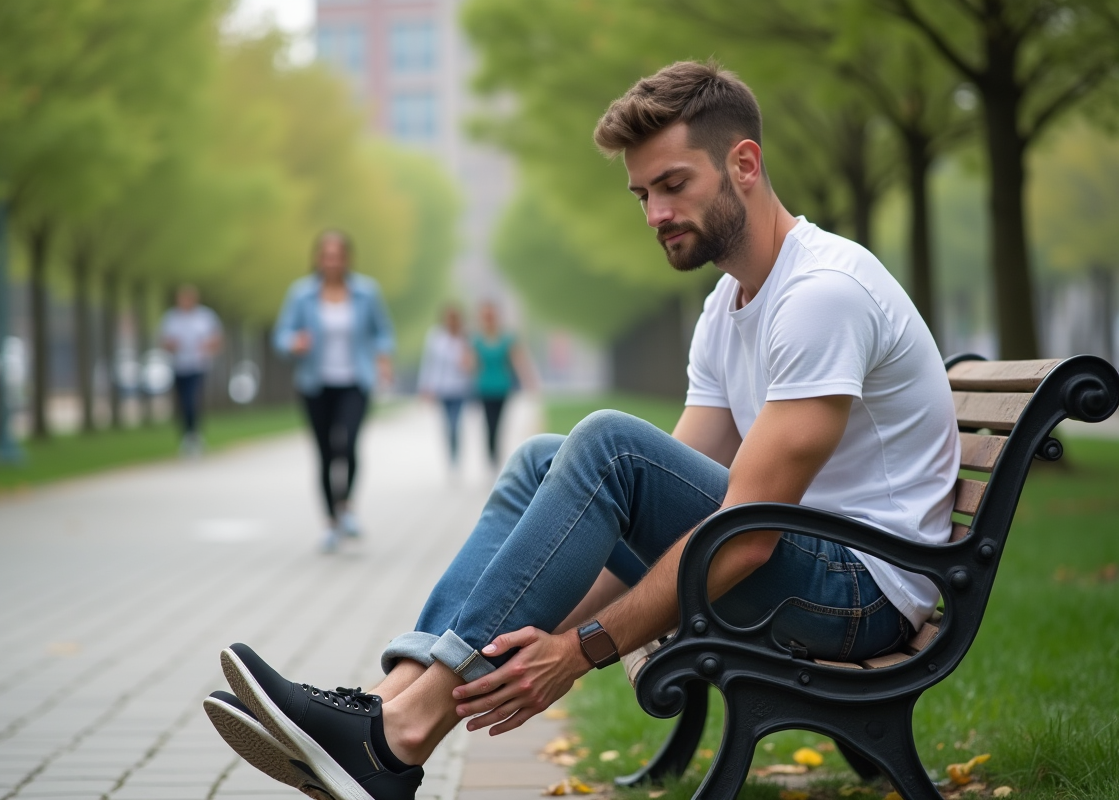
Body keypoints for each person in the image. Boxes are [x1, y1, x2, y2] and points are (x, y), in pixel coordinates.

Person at [203, 61, 960, 800]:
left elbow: (746, 535)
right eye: (642, 194)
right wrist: (559, 613)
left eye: (673, 184)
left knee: (606, 444)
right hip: (803, 563)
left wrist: (582, 649)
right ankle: (386, 707)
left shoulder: (821, 294)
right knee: (545, 459)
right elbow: (647, 513)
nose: (655, 213)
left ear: (745, 163)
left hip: (862, 592)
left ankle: (395, 736)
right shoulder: (727, 309)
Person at [273, 230, 395, 553]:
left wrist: (382, 357)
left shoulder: (366, 293)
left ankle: (347, 508)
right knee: (325, 452)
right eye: (326, 255)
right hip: (315, 383)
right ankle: (330, 522)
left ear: (347, 259)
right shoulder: (301, 295)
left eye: (338, 255)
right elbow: (281, 335)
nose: (332, 262)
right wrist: (293, 342)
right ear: (317, 258)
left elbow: (383, 332)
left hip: (355, 380)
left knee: (350, 443)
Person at [158, 285, 222, 455]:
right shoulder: (171, 317)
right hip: (179, 365)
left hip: (198, 365)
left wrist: (208, 346)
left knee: (192, 400)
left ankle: (194, 435)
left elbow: (217, 339)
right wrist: (172, 345)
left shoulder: (205, 316)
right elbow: (164, 341)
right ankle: (187, 435)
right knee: (182, 402)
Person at [470, 301, 535, 467]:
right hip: (484, 387)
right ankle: (491, 456)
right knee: (488, 423)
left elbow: (518, 361)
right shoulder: (476, 339)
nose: (489, 319)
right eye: (485, 316)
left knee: (499, 423)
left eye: (491, 316)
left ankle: (495, 455)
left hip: (502, 387)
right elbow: (470, 364)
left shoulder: (507, 338)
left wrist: (529, 380)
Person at [417, 305, 473, 471]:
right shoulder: (435, 337)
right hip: (441, 388)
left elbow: (471, 361)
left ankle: (456, 454)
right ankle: (451, 454)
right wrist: (424, 386)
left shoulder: (466, 337)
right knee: (447, 424)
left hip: (460, 387)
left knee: (456, 423)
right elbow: (428, 362)